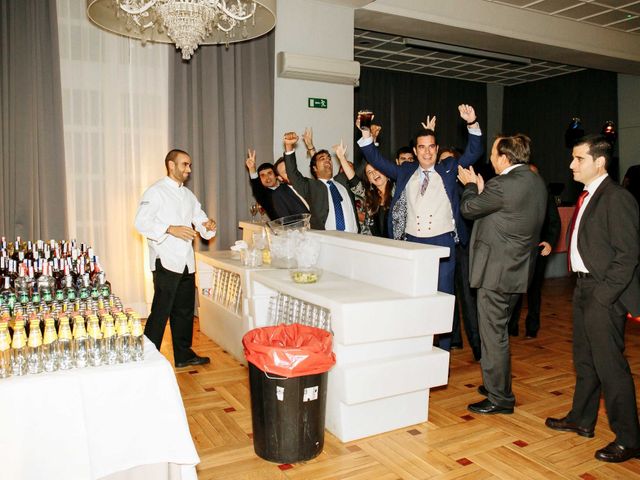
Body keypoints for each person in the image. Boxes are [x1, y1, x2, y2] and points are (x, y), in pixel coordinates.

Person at [545, 134, 640, 463]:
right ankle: (581, 420)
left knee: (611, 367)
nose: (572, 165)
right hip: (584, 289)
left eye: (579, 159)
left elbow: (628, 256)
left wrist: (604, 295)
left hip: (602, 291)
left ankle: (629, 438)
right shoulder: (588, 196)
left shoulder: (617, 198)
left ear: (599, 162)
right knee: (585, 361)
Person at [357, 104, 483, 351]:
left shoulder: (448, 168)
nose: (427, 152)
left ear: (437, 149)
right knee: (415, 298)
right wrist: (365, 133)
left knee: (444, 299)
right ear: (415, 151)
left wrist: (472, 124)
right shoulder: (405, 171)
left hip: (443, 243)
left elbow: (473, 152)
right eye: (422, 148)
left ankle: (444, 351)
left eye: (431, 147)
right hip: (414, 244)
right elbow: (375, 158)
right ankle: (416, 347)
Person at [458, 134, 547, 414]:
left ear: (505, 158)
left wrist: (472, 186)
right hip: (517, 271)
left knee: (493, 335)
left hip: (496, 272)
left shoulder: (503, 184)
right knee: (499, 333)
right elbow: (504, 214)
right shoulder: (535, 181)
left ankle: (500, 398)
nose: (491, 159)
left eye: (494, 154)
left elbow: (469, 209)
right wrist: (486, 191)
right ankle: (497, 384)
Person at [134, 149, 216, 368]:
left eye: (189, 165)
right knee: (161, 310)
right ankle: (147, 358)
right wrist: (170, 229)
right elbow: (141, 223)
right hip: (165, 259)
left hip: (187, 262)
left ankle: (183, 355)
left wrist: (207, 226)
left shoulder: (188, 195)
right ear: (171, 165)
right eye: (184, 165)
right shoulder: (155, 191)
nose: (188, 169)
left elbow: (200, 220)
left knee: (184, 310)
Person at [508, 164, 561, 338]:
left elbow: (554, 222)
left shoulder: (546, 195)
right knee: (515, 289)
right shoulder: (515, 193)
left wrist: (549, 243)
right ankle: (511, 327)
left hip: (538, 251)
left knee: (534, 290)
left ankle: (532, 328)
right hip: (517, 251)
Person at [283, 132, 360, 232]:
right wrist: (288, 146)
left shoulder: (343, 180)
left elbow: (359, 174)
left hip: (355, 239)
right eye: (322, 159)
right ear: (314, 168)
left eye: (329, 158)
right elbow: (293, 174)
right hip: (327, 241)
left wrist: (342, 157)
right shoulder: (310, 186)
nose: (328, 160)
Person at [245, 149, 309, 220]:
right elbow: (257, 188)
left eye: (269, 173)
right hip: (285, 229)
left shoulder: (289, 185)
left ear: (276, 175)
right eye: (262, 175)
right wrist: (252, 169)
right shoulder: (264, 196)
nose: (267, 178)